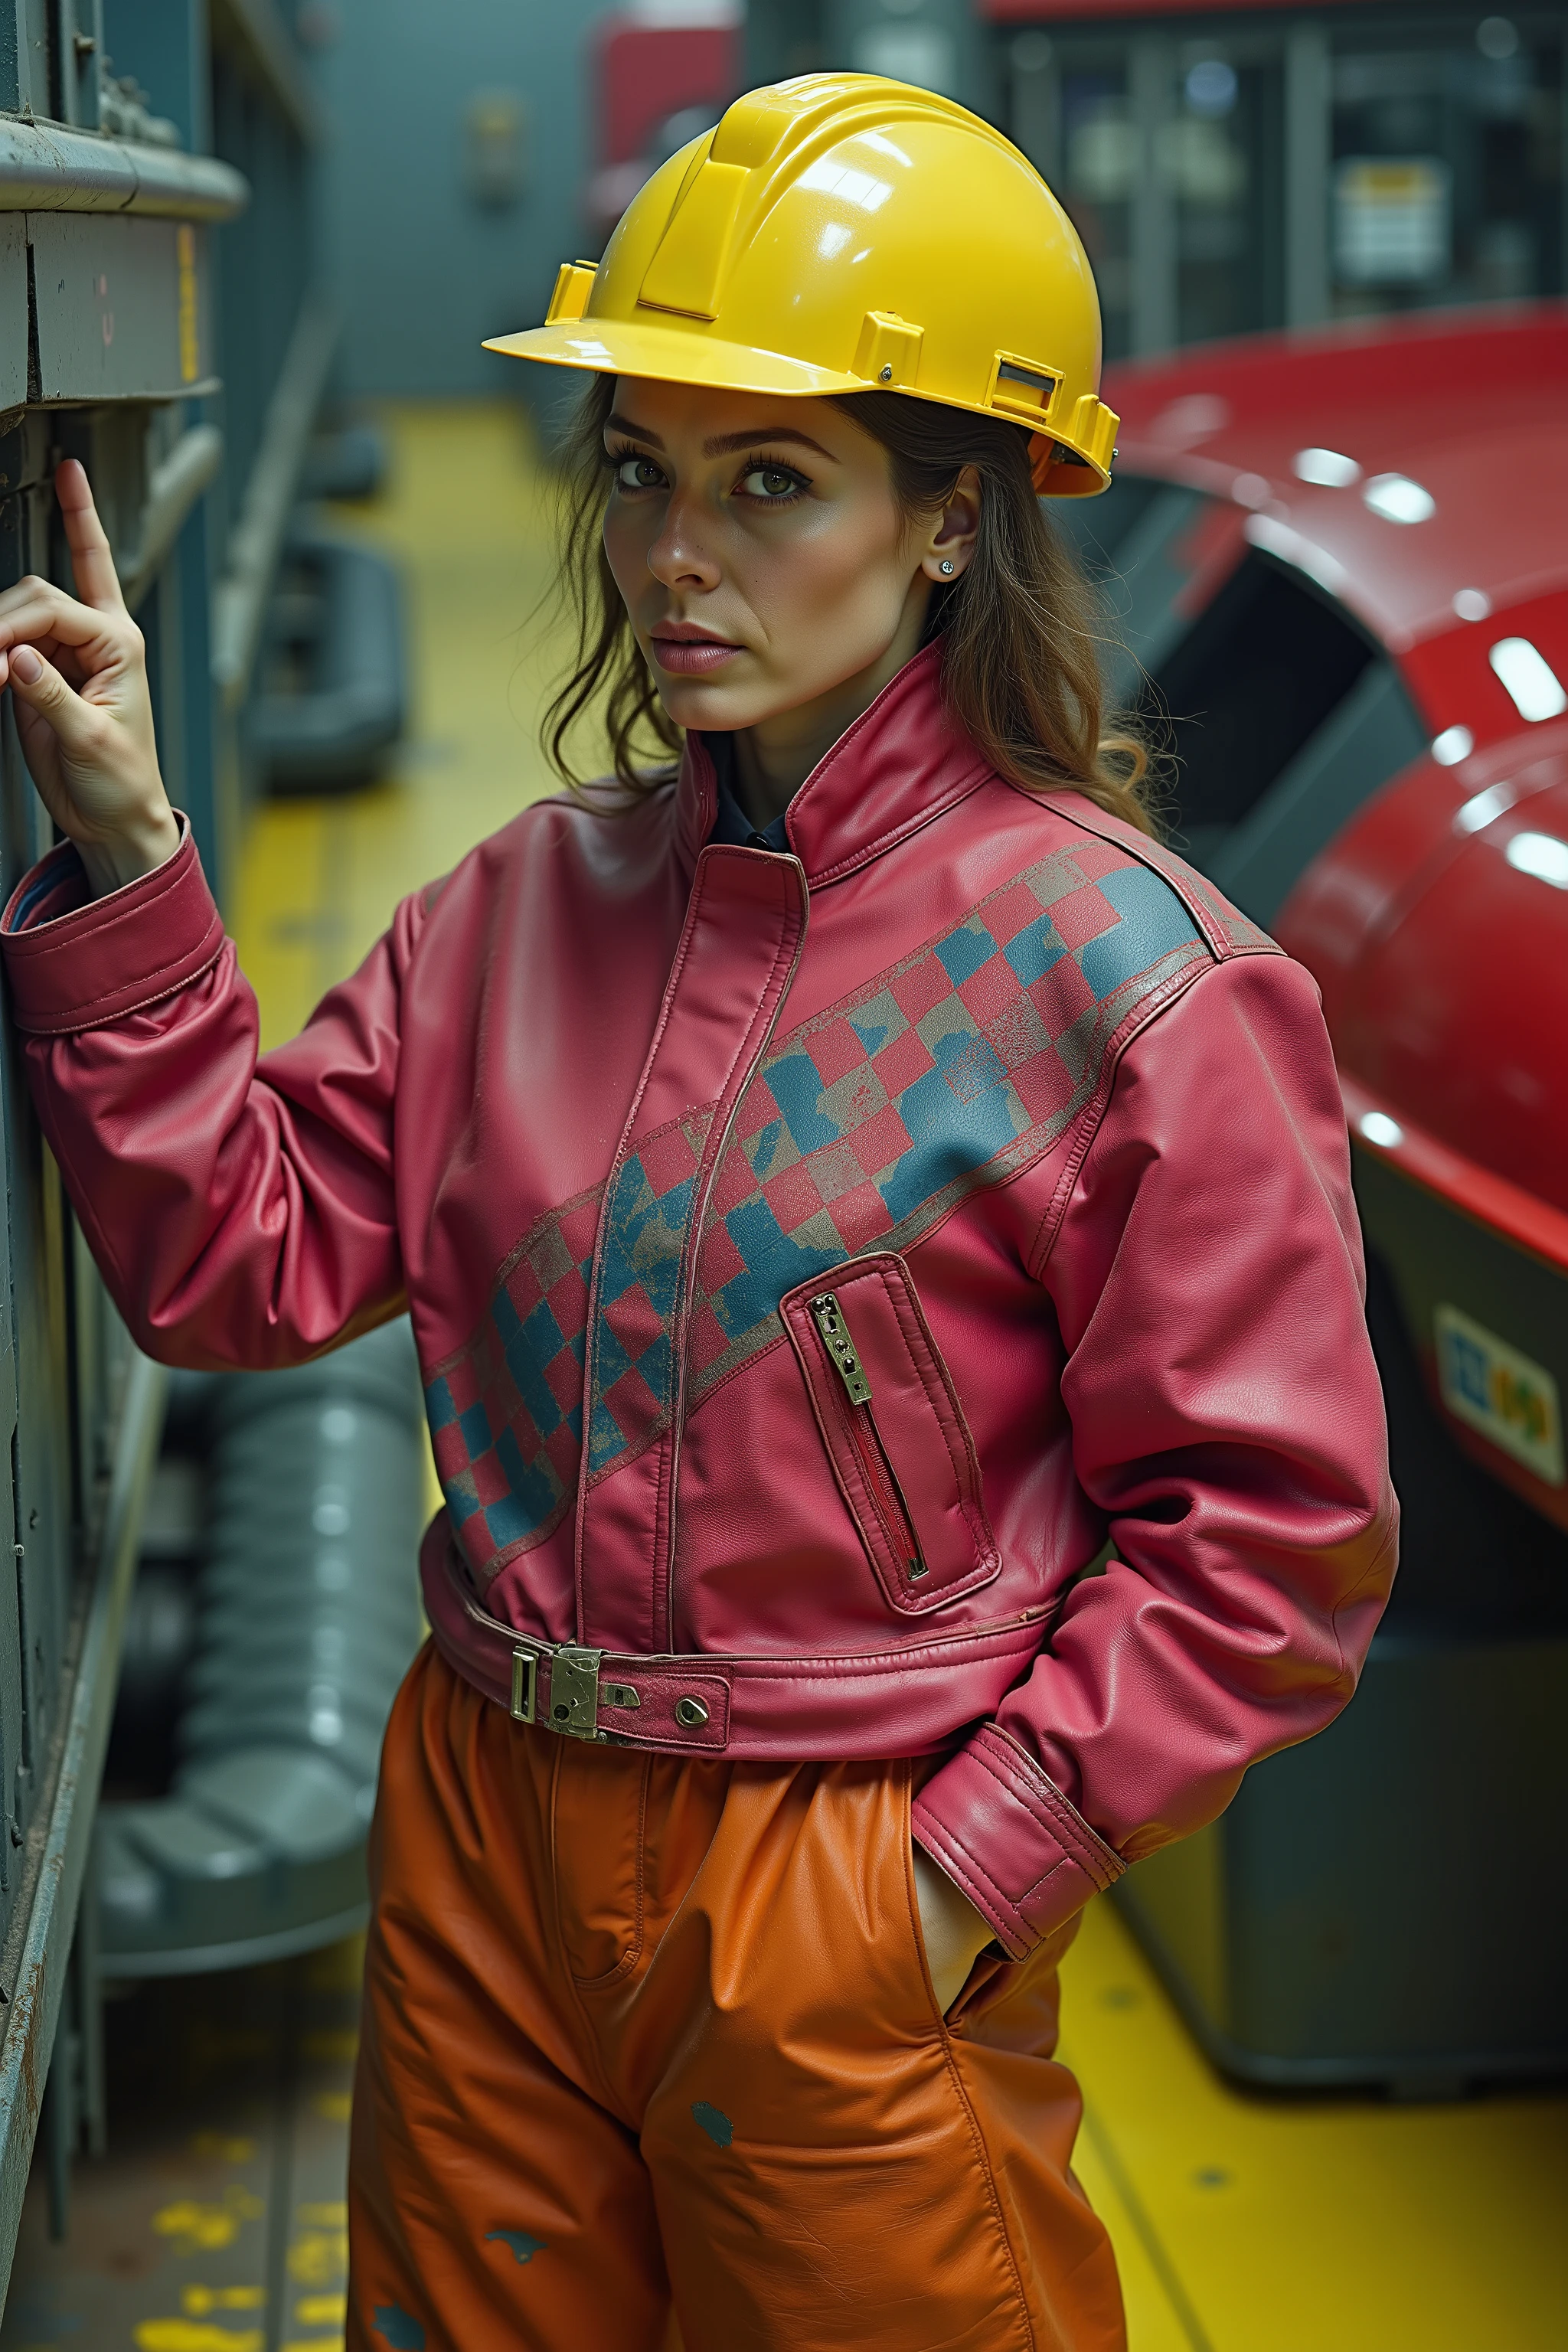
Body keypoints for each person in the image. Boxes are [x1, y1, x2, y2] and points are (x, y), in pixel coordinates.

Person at [0, 74, 1393, 2352]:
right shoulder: (522, 908)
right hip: (488, 1834)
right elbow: (234, 1259)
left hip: (836, 1866)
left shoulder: (1126, 982)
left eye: (772, 481)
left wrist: (964, 1878)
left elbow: (1275, 1533)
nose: (673, 552)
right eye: (641, 468)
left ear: (954, 519)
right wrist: (136, 861)